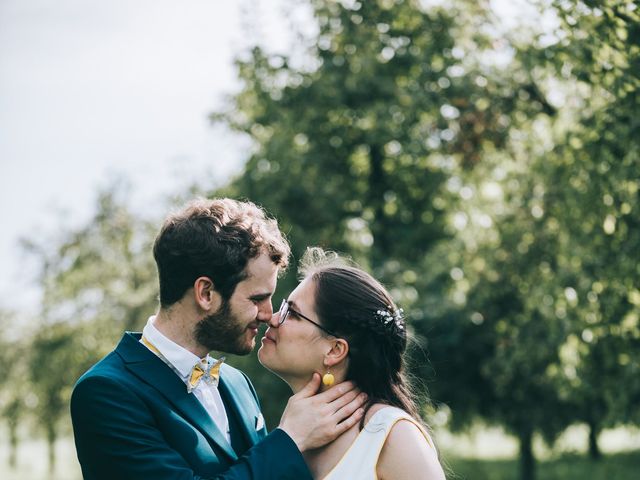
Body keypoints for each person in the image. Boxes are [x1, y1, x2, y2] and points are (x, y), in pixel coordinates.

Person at [70, 199, 366, 480]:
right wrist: (289, 438)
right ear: (206, 294)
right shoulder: (106, 392)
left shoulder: (237, 383)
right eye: (258, 298)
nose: (269, 315)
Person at [258, 248, 446, 480]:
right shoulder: (293, 431)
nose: (273, 318)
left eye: (292, 313)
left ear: (334, 350)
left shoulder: (392, 435)